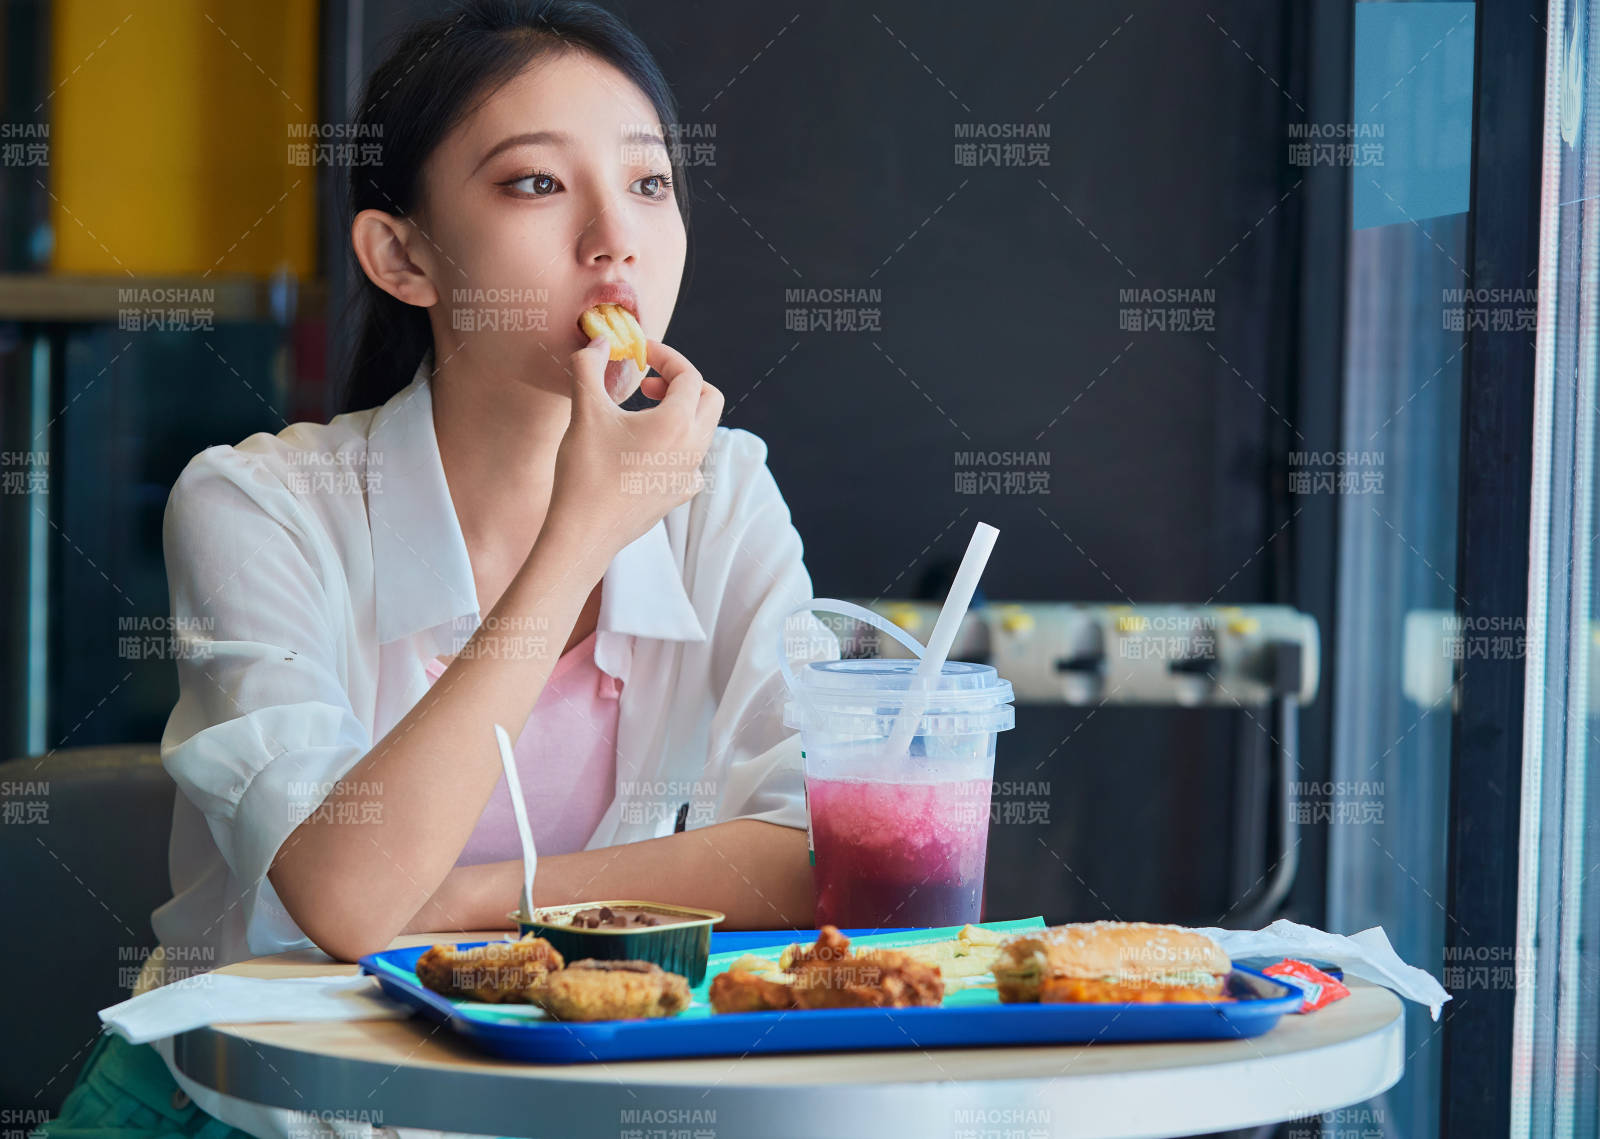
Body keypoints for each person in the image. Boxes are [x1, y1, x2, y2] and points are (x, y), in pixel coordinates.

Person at [38, 3, 835, 1137]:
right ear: (402, 256)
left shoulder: (726, 491)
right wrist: (582, 535)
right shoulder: (256, 503)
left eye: (650, 183)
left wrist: (460, 903)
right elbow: (352, 899)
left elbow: (822, 851)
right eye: (535, 185)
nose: (616, 239)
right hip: (250, 1114)